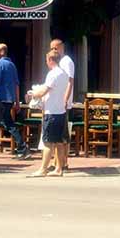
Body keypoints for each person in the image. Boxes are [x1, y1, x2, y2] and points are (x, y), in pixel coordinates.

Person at [29, 49, 70, 178]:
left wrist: (32, 94)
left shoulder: (53, 74)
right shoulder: (64, 74)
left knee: (47, 142)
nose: (46, 62)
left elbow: (43, 92)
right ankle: (59, 168)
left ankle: (43, 169)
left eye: (47, 60)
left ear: (51, 60)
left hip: (51, 112)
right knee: (59, 142)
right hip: (61, 111)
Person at [51, 38, 75, 168]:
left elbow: (70, 81)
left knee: (63, 134)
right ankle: (58, 161)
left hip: (64, 103)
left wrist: (66, 99)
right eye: (52, 48)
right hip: (57, 102)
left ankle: (63, 161)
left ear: (62, 47)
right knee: (59, 134)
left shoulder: (67, 62)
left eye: (55, 48)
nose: (53, 51)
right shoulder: (59, 62)